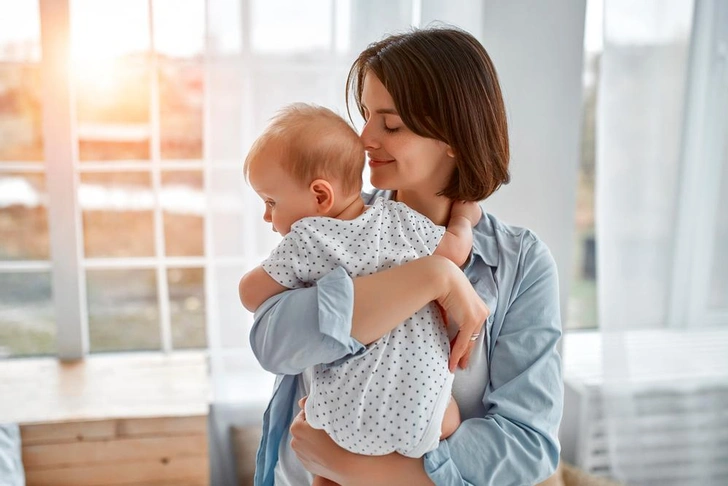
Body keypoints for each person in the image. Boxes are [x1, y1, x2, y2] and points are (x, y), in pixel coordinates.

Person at [249, 26, 563, 486]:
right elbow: (273, 344)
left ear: (454, 136)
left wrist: (361, 470)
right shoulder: (336, 227)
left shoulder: (521, 264)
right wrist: (432, 277)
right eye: (366, 116)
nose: (364, 138)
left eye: (390, 124)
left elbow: (525, 446)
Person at [239, 103, 481, 486]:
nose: (268, 217)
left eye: (271, 202)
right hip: (425, 417)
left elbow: (250, 293)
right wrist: (464, 219)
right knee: (447, 414)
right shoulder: (403, 223)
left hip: (342, 415)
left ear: (321, 196)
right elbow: (453, 252)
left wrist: (304, 284)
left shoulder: (308, 237)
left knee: (325, 469)